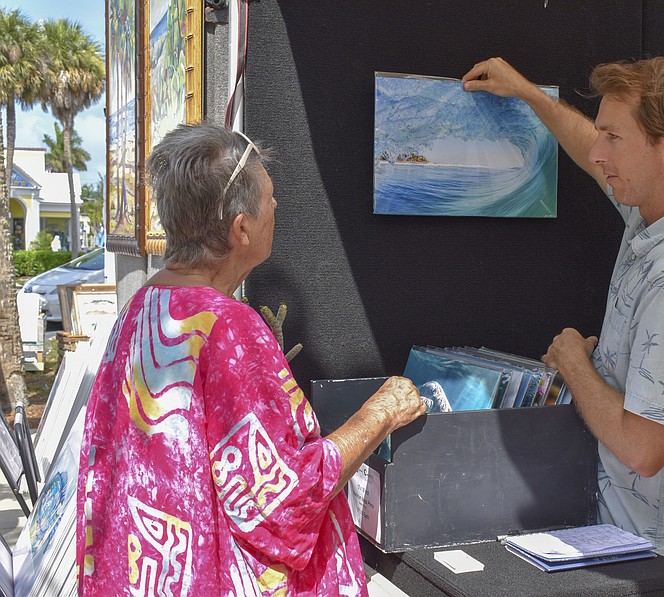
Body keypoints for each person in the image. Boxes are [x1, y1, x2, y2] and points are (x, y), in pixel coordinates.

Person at [75, 122, 427, 596]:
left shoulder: (139, 308)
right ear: (240, 228)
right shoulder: (227, 328)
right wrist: (381, 414)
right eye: (269, 198)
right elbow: (281, 504)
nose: (277, 206)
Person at [463, 53, 664, 596]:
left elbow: (643, 448)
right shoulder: (661, 212)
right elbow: (594, 157)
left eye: (614, 137)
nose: (597, 152)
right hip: (631, 550)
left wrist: (574, 364)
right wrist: (530, 94)